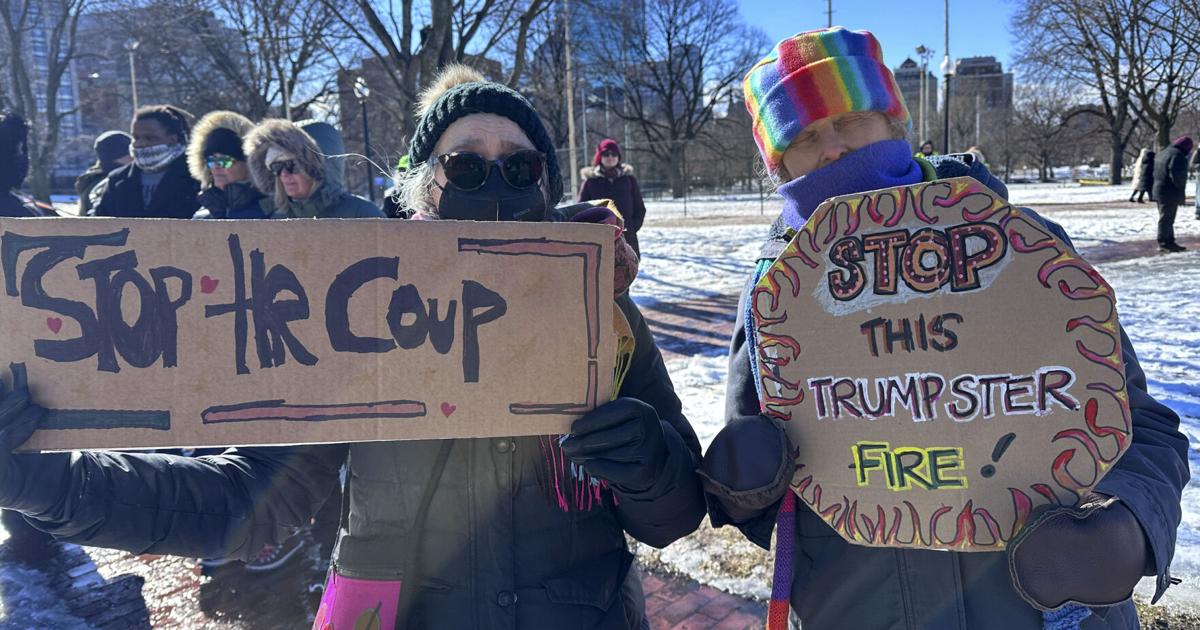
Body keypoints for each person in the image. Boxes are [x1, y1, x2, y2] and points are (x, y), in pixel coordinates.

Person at [0, 64, 705, 629]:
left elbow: (673, 517)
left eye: (519, 168)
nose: (494, 183)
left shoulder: (603, 323)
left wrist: (651, 464)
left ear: (546, 190)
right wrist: (46, 482)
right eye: (465, 166)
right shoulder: (351, 321)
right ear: (422, 189)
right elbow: (242, 505)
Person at [700, 27, 1188, 630]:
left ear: (893, 122)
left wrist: (1136, 524)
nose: (832, 148)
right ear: (778, 164)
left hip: (1046, 610)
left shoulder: (1018, 248)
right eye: (802, 137)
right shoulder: (775, 294)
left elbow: (1143, 427)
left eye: (851, 119)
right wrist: (744, 491)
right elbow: (765, 489)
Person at [245, 119, 382, 219]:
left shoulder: (362, 215)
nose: (284, 175)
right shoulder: (277, 221)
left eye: (291, 165)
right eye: (277, 167)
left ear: (316, 166)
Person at [93, 105, 200, 219]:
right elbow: (100, 223)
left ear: (173, 139)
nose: (140, 144)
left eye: (150, 138)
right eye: (136, 137)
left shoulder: (197, 177)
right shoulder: (117, 179)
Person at [189, 111, 271, 220]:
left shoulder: (271, 212)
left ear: (249, 164)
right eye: (211, 160)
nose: (216, 167)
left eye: (224, 160)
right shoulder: (202, 218)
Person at [578, 139, 647, 256]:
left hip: (627, 237)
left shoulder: (628, 180)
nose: (610, 157)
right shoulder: (590, 182)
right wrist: (592, 231)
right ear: (600, 157)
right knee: (601, 272)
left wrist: (632, 227)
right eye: (606, 154)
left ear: (618, 157)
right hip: (599, 239)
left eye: (614, 154)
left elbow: (639, 208)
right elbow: (580, 210)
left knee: (627, 272)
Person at [75, 131, 132, 216]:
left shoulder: (93, 179)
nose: (134, 157)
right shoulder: (108, 184)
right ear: (116, 158)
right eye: (130, 153)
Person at [1152, 136, 1193, 252]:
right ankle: (1164, 242)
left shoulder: (1164, 152)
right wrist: (1180, 191)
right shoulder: (1177, 155)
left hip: (1159, 189)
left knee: (1166, 217)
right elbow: (1177, 176)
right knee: (1167, 218)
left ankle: (1169, 240)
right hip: (1169, 191)